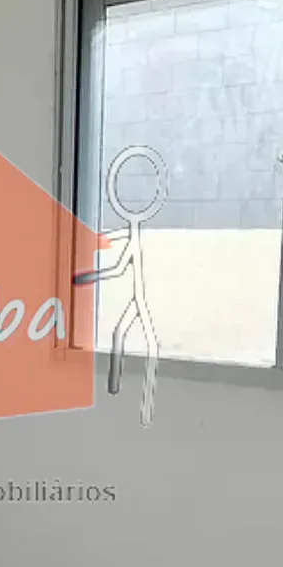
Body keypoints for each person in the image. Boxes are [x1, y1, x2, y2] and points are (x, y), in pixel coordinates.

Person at [74, 145, 166, 426]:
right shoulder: (129, 236)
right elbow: (110, 244)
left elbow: (117, 269)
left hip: (140, 298)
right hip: (135, 298)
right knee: (121, 333)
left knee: (147, 343)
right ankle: (117, 394)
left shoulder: (136, 240)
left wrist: (87, 277)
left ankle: (143, 411)